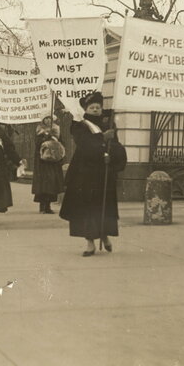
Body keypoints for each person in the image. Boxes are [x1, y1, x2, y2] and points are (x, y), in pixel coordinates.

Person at [59, 92, 127, 256]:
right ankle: (90, 243)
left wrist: (113, 153)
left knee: (104, 207)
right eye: (92, 107)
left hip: (104, 172)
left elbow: (116, 145)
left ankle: (104, 236)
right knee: (87, 210)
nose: (96, 109)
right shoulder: (79, 125)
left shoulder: (108, 122)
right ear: (86, 109)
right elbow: (85, 145)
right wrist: (103, 138)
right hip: (85, 174)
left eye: (98, 107)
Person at [32, 115, 65, 214]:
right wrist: (46, 136)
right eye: (46, 118)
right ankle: (42, 205)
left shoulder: (56, 130)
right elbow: (37, 144)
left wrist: (54, 138)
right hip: (42, 161)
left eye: (50, 118)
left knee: (52, 183)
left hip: (53, 161)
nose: (48, 120)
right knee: (43, 183)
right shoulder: (39, 130)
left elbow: (61, 143)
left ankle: (48, 205)